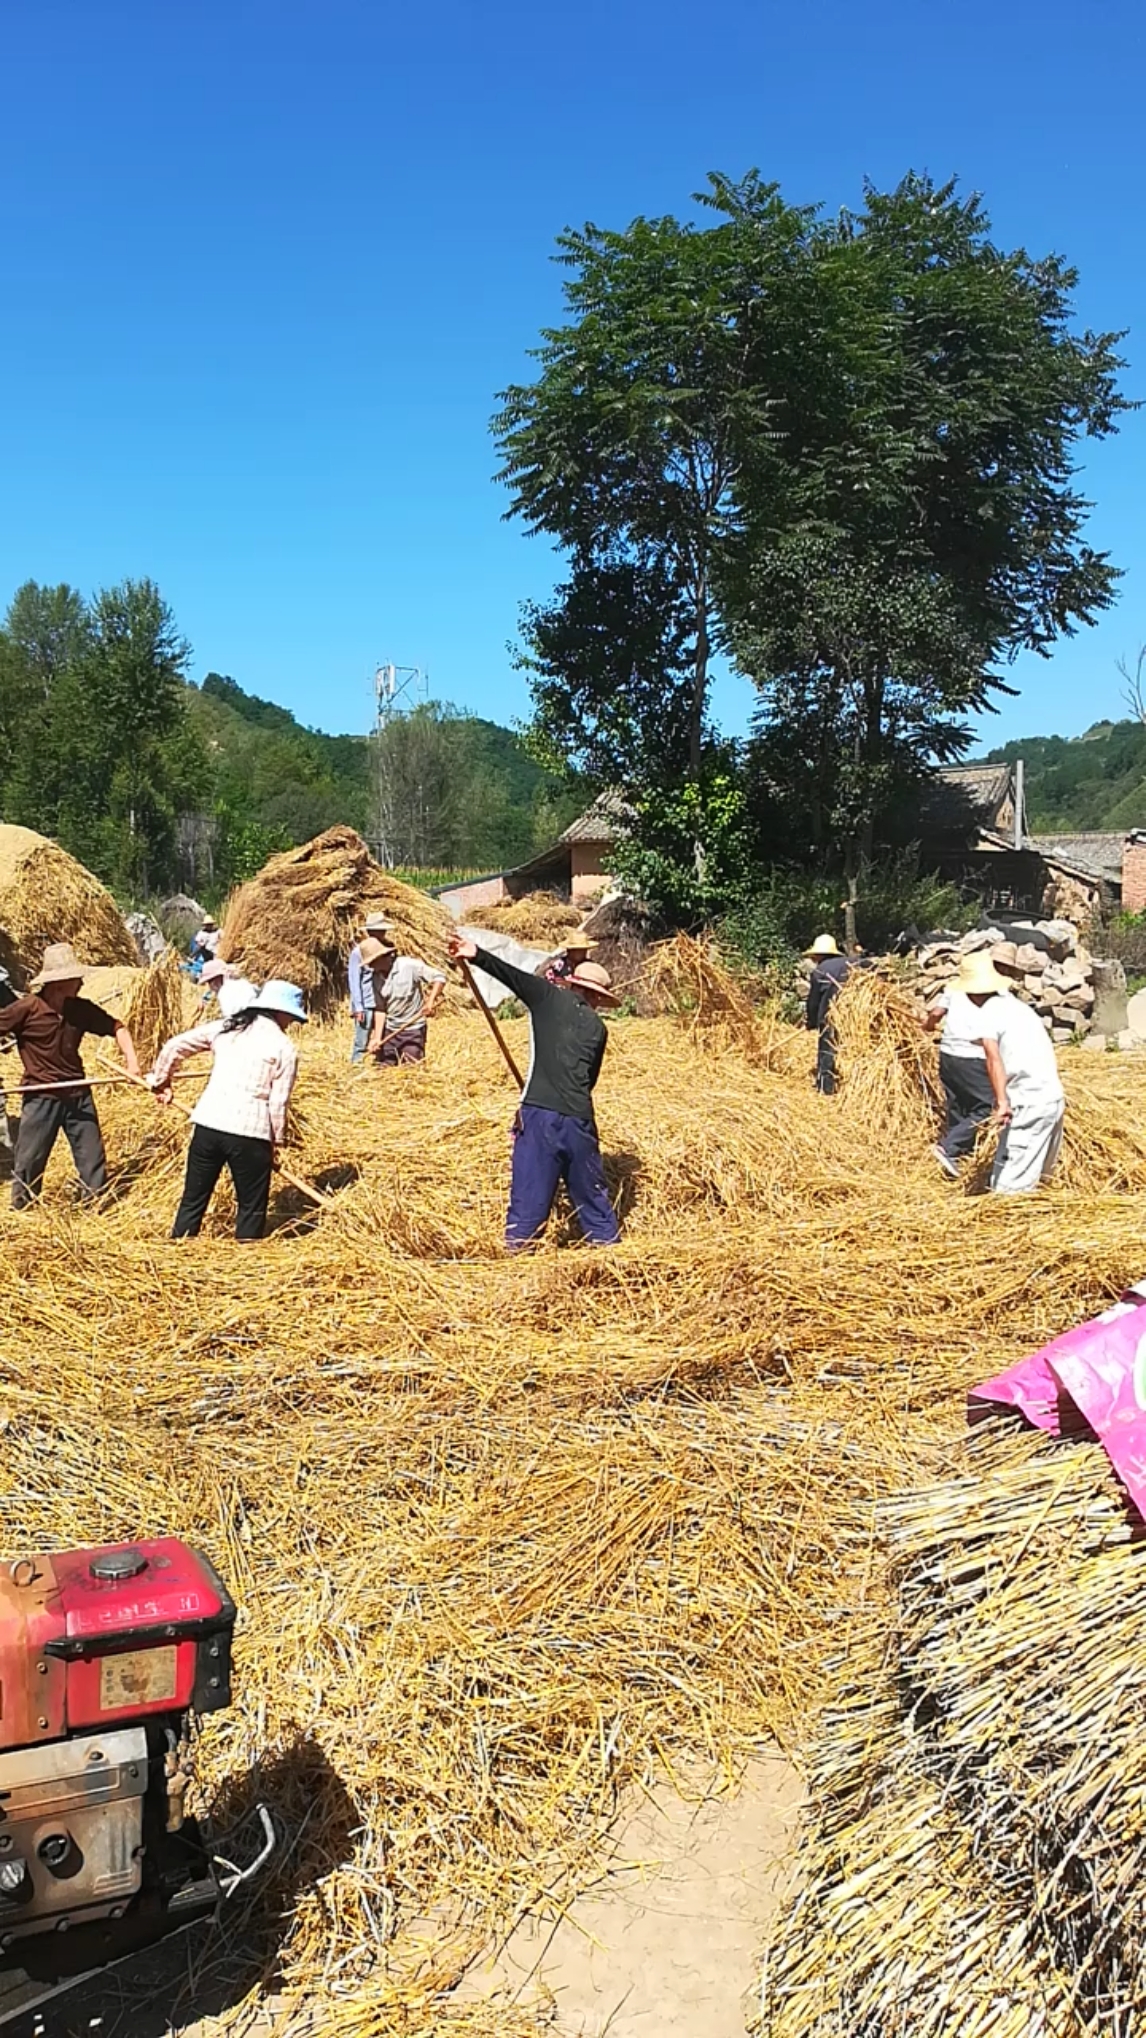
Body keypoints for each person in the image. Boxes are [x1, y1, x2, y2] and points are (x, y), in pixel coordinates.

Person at [448, 933, 621, 1249]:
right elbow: (589, 1080)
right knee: (592, 1196)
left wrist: (475, 954)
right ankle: (608, 1247)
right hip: (580, 1120)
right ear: (596, 995)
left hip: (540, 1114)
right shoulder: (599, 1028)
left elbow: (512, 977)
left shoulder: (548, 998)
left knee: (530, 1195)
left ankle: (519, 1248)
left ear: (573, 984)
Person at [150, 980, 307, 1240]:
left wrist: (161, 1080)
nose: (290, 1022)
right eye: (290, 1016)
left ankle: (178, 1248)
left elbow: (174, 1046)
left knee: (193, 1199)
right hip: (250, 1134)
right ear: (280, 1012)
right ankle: (247, 1253)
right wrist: (276, 1142)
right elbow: (278, 1103)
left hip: (208, 1125)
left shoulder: (227, 1028)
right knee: (251, 1208)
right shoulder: (284, 1048)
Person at [0, 941, 141, 1208]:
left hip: (78, 1094)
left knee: (92, 1158)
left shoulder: (80, 1009)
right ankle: (23, 1211)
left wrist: (132, 1063)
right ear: (59, 983)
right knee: (30, 1160)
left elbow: (118, 1027)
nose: (81, 984)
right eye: (76, 979)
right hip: (41, 1095)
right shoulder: (27, 1009)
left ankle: (95, 1207)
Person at [955, 950, 1065, 1194]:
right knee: (1040, 1179)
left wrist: (1002, 1102)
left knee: (1009, 1188)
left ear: (970, 992)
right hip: (1052, 1098)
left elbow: (993, 1058)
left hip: (1029, 1102)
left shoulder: (988, 1013)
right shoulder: (1019, 1009)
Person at [922, 967, 1000, 1177]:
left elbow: (936, 1013)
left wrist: (927, 1025)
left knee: (957, 1103)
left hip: (948, 1054)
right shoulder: (998, 995)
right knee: (985, 1107)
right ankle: (949, 1147)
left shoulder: (952, 989)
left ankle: (957, 1157)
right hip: (973, 1055)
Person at [359, 936, 446, 1064]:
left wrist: (430, 1001)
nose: (371, 967)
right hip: (390, 1031)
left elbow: (440, 977)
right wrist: (377, 1037)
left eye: (373, 962)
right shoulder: (375, 978)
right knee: (384, 1069)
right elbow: (380, 1009)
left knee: (412, 1067)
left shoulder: (408, 966)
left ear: (382, 957)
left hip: (413, 1028)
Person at [804, 935, 851, 1095]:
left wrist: (811, 1022)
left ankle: (825, 1087)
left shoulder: (820, 971)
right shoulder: (853, 962)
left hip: (832, 1015)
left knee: (827, 1048)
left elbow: (814, 1002)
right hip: (856, 1015)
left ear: (818, 955)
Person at [348, 913, 393, 1063]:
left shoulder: (388, 949)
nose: (381, 934)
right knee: (362, 1040)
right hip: (366, 1002)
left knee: (382, 1037)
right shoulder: (358, 952)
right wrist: (358, 1007)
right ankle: (356, 1066)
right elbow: (354, 980)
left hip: (382, 1000)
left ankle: (380, 1065)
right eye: (377, 931)